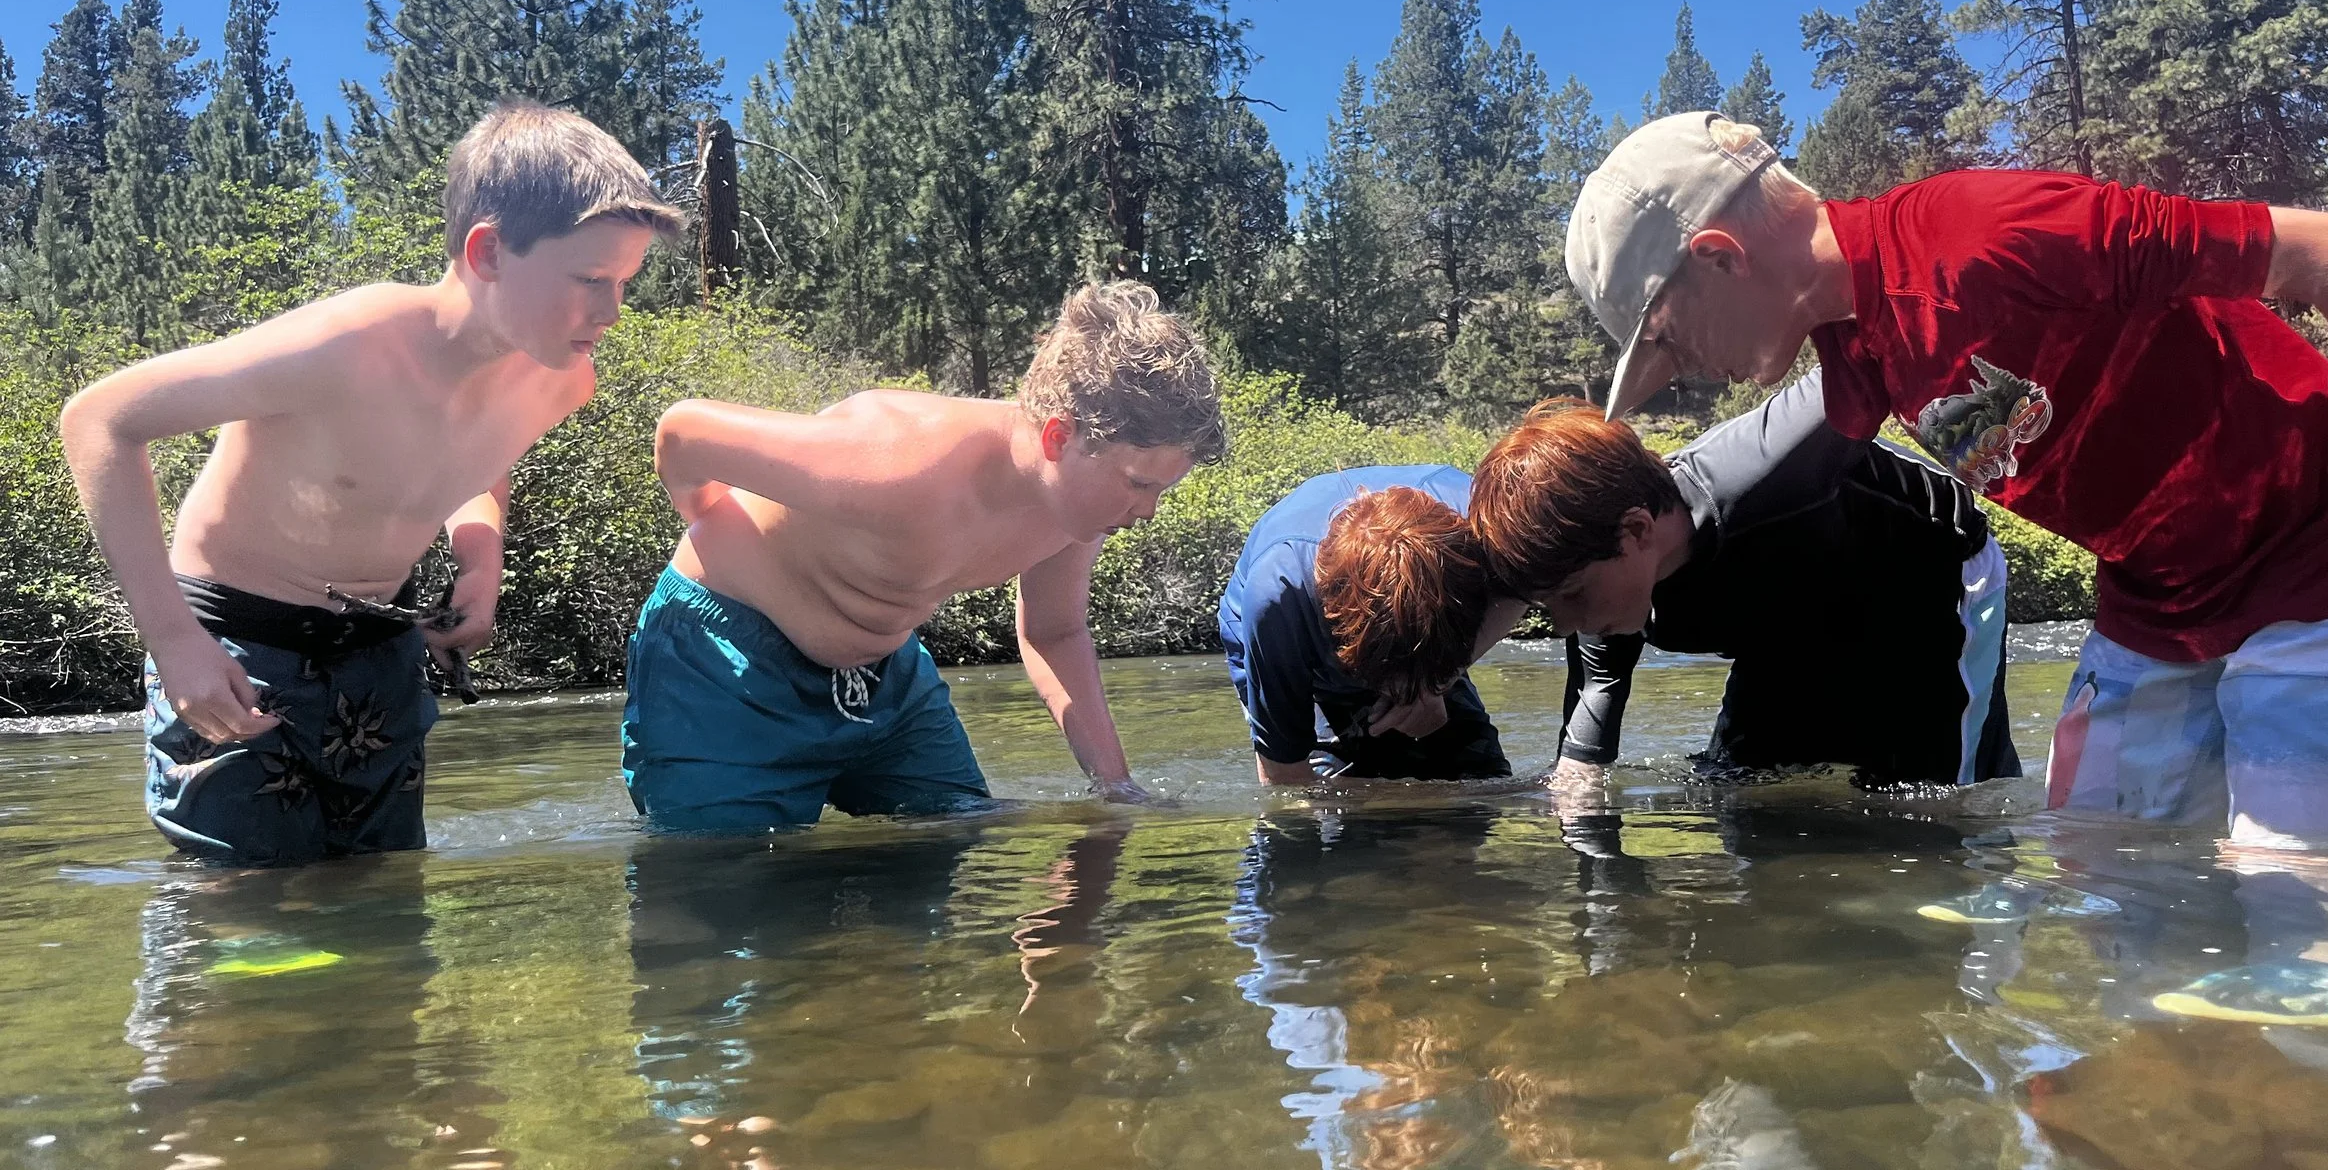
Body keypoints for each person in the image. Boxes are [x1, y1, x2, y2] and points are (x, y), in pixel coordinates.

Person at [1564, 110, 2328, 849]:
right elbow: (1757, 476)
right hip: (2159, 602)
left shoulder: (1981, 233)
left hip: (2318, 558)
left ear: (1720, 257)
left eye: (1668, 339)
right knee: (2098, 871)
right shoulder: (1856, 347)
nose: (1684, 368)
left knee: (2307, 911)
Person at [58, 100, 681, 866]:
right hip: (234, 647)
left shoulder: (561, 378)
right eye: (590, 278)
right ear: (487, 252)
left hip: (381, 649)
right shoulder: (347, 344)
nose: (613, 310)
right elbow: (99, 420)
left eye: (625, 281)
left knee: (382, 900)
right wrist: (173, 641)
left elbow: (481, 454)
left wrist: (482, 562)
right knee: (241, 920)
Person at [622, 281, 1226, 829]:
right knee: (720, 887)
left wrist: (1116, 785)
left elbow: (1056, 630)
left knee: (957, 840)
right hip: (723, 662)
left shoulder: (1077, 508)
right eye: (1139, 484)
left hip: (887, 680)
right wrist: (710, 529)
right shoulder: (892, 458)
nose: (1146, 511)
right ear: (1058, 438)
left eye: (1161, 490)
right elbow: (682, 434)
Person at [1469, 372, 2017, 790]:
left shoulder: (1762, 470)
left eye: (1571, 596)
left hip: (1925, 585)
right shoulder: (1603, 583)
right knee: (1736, 794)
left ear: (1636, 530)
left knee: (1937, 803)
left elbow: (1869, 352)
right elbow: (1587, 744)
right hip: (1784, 620)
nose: (1566, 624)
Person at [1218, 467, 1523, 783]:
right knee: (1334, 794)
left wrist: (1439, 681)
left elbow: (1521, 593)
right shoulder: (1276, 601)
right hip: (1297, 633)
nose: (1401, 689)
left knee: (1479, 780)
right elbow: (1283, 774)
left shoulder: (1486, 522)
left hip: (1430, 624)